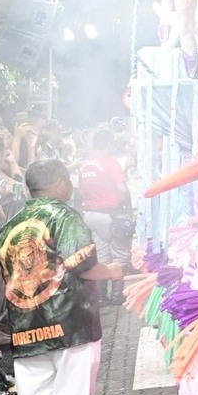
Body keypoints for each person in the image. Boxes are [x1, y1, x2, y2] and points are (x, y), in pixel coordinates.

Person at [0, 160, 127, 395]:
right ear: (57, 182)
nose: (71, 185)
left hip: (26, 329)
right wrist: (113, 271)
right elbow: (84, 266)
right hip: (70, 325)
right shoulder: (65, 217)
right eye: (68, 179)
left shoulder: (9, 227)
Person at [78, 130, 132, 304]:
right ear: (109, 144)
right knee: (120, 254)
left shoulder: (85, 165)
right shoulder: (110, 162)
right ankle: (117, 295)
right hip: (110, 215)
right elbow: (122, 188)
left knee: (101, 256)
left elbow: (81, 191)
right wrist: (128, 208)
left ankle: (101, 296)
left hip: (90, 214)